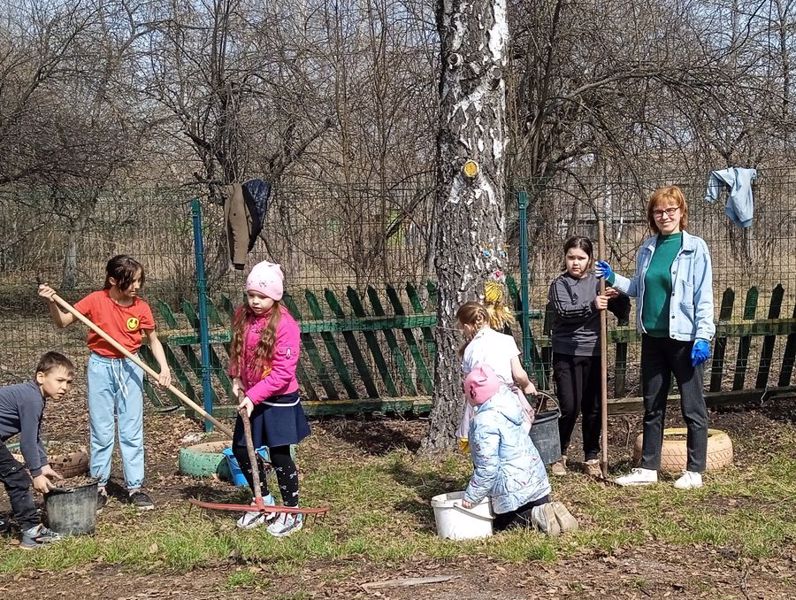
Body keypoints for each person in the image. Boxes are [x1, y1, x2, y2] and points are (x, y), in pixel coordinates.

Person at [595, 185, 714, 490]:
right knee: (653, 405)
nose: (665, 216)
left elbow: (704, 296)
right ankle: (648, 467)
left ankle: (694, 470)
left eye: (670, 210)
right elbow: (638, 287)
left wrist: (703, 335)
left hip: (685, 338)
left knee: (692, 405)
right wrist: (612, 277)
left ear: (681, 212)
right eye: (659, 211)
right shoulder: (648, 247)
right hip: (652, 338)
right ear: (652, 216)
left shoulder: (695, 247)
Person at [38, 255, 171, 510]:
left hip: (131, 365)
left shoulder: (140, 307)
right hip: (100, 366)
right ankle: (99, 485)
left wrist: (164, 368)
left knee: (131, 428)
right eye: (131, 282)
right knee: (101, 428)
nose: (136, 287)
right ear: (113, 280)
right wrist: (52, 301)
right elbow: (62, 322)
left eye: (139, 281)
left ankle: (135, 487)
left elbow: (153, 340)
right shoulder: (95, 300)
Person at [229, 260, 310, 537]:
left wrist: (252, 396)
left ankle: (292, 512)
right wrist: (236, 377)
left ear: (275, 296)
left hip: (278, 398)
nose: (255, 301)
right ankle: (263, 500)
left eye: (261, 296)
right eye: (251, 295)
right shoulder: (243, 316)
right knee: (241, 449)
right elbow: (237, 350)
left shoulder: (286, 325)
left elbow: (282, 373)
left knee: (279, 455)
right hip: (251, 395)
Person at [460, 364, 577, 535]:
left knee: (504, 524)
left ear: (473, 394)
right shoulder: (510, 404)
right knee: (539, 505)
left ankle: (535, 516)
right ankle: (548, 509)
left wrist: (471, 497)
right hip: (536, 479)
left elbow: (487, 466)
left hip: (513, 487)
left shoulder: (483, 422)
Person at [547, 236, 628, 477]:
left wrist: (618, 296)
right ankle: (558, 454)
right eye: (571, 257)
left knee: (593, 407)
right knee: (569, 407)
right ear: (565, 257)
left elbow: (623, 312)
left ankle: (591, 456)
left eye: (581, 258)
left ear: (590, 260)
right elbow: (564, 312)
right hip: (567, 353)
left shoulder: (598, 282)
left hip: (595, 352)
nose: (576, 263)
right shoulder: (559, 285)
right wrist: (593, 305)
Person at [0, 352, 74, 549]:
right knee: (17, 479)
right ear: (41, 377)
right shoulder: (32, 399)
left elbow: (34, 436)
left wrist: (43, 464)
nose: (64, 387)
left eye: (68, 382)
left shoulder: (34, 395)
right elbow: (26, 443)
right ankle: (32, 533)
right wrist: (35, 474)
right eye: (59, 380)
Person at [455, 301, 536, 450]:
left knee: (486, 447)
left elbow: (468, 385)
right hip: (506, 400)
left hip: (482, 405)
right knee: (512, 443)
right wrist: (527, 385)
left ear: (467, 326)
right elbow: (519, 374)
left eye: (461, 328)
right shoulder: (506, 340)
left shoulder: (470, 349)